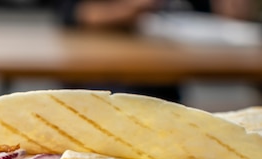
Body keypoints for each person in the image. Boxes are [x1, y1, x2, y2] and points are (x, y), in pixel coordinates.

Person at [55, 0, 259, 102]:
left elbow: (228, 14)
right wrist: (129, 9)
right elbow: (74, 13)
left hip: (168, 70)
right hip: (106, 70)